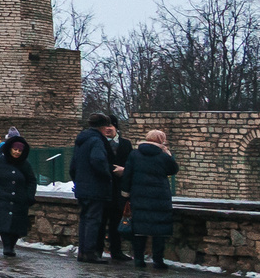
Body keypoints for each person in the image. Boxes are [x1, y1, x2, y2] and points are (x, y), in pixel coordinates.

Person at [125, 130, 179, 268]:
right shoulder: (163, 156)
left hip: (139, 196)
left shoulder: (134, 154)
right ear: (161, 140)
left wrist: (125, 193)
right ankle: (158, 260)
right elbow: (173, 170)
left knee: (139, 229)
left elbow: (127, 174)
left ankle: (138, 259)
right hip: (159, 197)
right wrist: (168, 154)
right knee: (159, 230)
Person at [71, 114, 121, 262]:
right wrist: (107, 175)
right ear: (103, 126)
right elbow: (98, 160)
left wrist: (78, 181)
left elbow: (73, 166)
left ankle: (82, 252)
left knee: (85, 219)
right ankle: (90, 252)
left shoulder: (81, 140)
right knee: (93, 220)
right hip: (95, 187)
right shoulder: (97, 141)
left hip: (82, 187)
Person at [0, 132, 39, 257]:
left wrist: (29, 196)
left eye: (20, 150)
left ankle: (11, 245)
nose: (17, 153)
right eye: (15, 149)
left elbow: (31, 180)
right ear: (9, 149)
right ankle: (7, 247)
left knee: (16, 225)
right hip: (1, 198)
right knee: (4, 224)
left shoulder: (25, 164)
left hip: (19, 199)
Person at [106, 125, 135, 264]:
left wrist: (125, 171)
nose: (108, 128)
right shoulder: (100, 142)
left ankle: (117, 251)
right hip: (105, 186)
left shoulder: (125, 143)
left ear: (116, 128)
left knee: (118, 219)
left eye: (110, 125)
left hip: (121, 188)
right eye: (105, 125)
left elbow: (131, 163)